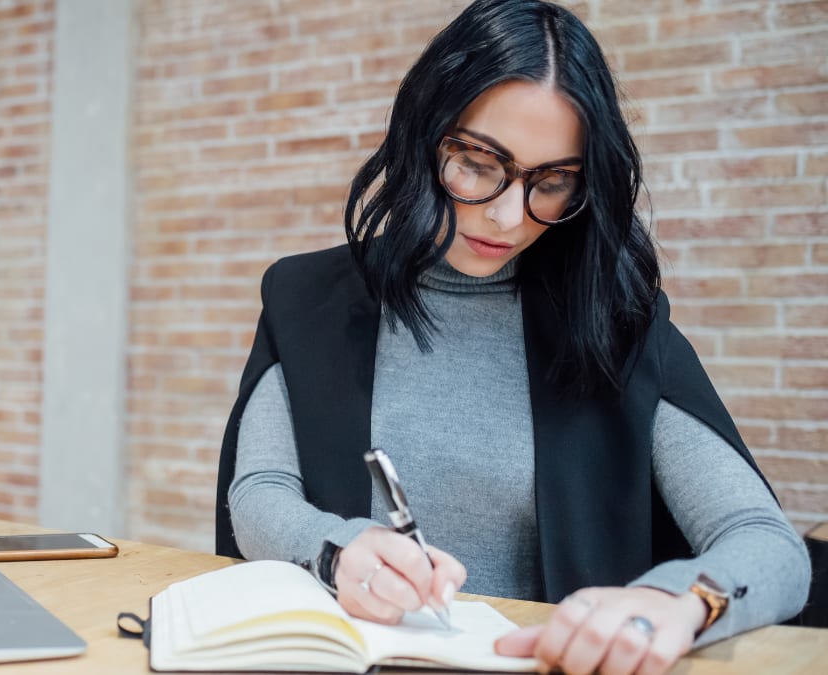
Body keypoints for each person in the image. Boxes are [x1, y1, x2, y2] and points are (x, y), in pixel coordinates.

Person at [215, 1, 811, 674]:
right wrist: (336, 551)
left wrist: (674, 602)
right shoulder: (307, 298)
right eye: (477, 162)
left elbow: (768, 546)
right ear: (423, 136)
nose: (506, 215)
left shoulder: (614, 322)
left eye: (551, 181)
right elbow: (259, 492)